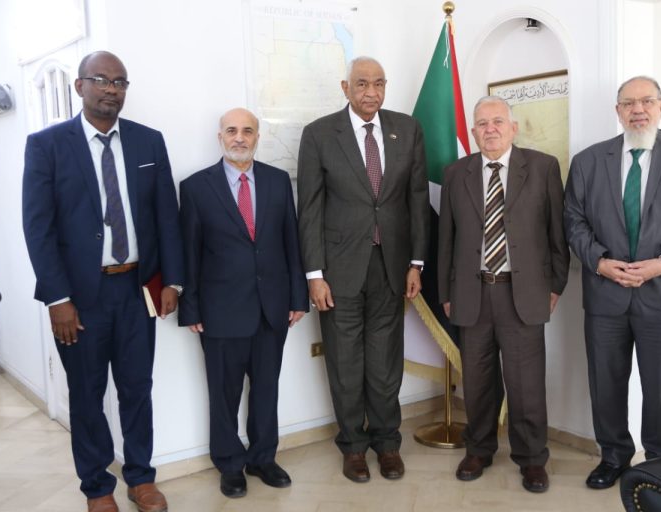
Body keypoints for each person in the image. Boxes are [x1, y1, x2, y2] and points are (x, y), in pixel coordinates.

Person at [22, 51, 183, 512]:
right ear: (80, 86)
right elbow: (38, 227)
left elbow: (166, 217)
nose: (112, 89)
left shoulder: (148, 142)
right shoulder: (47, 145)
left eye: (120, 82)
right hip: (80, 298)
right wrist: (57, 298)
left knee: (137, 388)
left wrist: (173, 281)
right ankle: (97, 487)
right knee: (87, 395)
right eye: (101, 80)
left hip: (136, 291)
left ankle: (141, 478)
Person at [564, 76, 661, 489]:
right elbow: (573, 221)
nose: (638, 109)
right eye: (629, 103)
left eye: (647, 101)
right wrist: (599, 262)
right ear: (617, 111)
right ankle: (613, 457)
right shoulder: (588, 161)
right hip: (606, 294)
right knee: (606, 383)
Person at [297, 56, 430, 483]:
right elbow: (309, 209)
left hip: (392, 266)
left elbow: (417, 199)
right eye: (361, 84)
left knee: (386, 362)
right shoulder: (319, 134)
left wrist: (416, 262)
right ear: (345, 87)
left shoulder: (407, 129)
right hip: (338, 271)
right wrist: (314, 274)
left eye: (378, 83)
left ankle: (387, 443)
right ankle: (353, 446)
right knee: (345, 362)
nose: (371, 92)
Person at [438, 96, 569, 493]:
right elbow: (446, 240)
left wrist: (555, 285)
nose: (490, 129)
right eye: (482, 123)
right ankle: (478, 450)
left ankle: (531, 459)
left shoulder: (543, 168)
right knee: (477, 382)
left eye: (497, 121)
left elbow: (557, 234)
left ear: (513, 128)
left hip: (522, 294)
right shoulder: (455, 173)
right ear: (473, 131)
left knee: (525, 385)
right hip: (472, 293)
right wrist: (445, 292)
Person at [178, 108, 308, 498]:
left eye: (247, 131)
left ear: (257, 137)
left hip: (272, 307)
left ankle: (263, 458)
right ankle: (230, 463)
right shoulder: (196, 187)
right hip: (219, 312)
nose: (240, 137)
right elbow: (189, 253)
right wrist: (190, 307)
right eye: (232, 130)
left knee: (267, 389)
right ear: (220, 137)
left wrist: (298, 297)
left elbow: (291, 242)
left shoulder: (277, 181)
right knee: (224, 394)